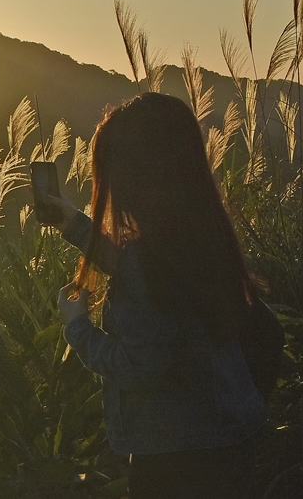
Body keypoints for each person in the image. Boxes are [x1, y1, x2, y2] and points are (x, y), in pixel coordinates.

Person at [44, 92, 267, 499]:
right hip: (231, 441)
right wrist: (74, 224)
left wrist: (77, 327)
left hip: (175, 461)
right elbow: (157, 281)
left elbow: (138, 365)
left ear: (134, 176)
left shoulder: (151, 259)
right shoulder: (205, 238)